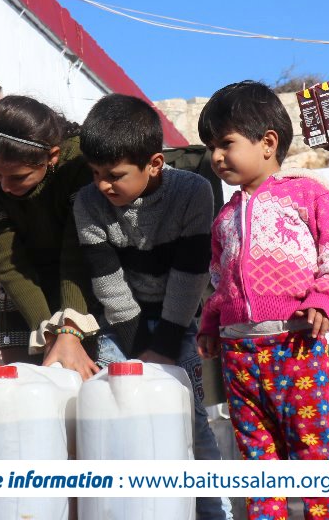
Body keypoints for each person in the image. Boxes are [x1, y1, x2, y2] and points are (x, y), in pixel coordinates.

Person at [196, 81, 329, 520]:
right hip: (239, 355)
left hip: (295, 346)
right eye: (211, 147)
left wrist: (326, 298)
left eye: (225, 143)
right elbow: (220, 281)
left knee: (313, 453)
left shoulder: (308, 195)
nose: (216, 156)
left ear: (268, 143)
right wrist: (211, 322)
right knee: (257, 462)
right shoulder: (225, 217)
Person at [73, 93, 229, 520]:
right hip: (120, 327)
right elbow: (107, 281)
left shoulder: (193, 193)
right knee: (115, 417)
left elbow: (190, 276)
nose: (103, 185)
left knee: (191, 422)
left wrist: (164, 344)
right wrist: (140, 345)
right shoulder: (88, 202)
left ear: (155, 164)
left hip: (179, 324)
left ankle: (212, 510)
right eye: (95, 173)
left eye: (115, 175)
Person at [0, 95, 101, 378]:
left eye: (19, 177)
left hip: (79, 277)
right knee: (27, 384)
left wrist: (70, 329)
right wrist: (47, 334)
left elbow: (78, 252)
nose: (5, 187)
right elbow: (8, 263)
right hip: (20, 286)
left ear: (52, 157)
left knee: (82, 383)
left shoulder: (78, 164)